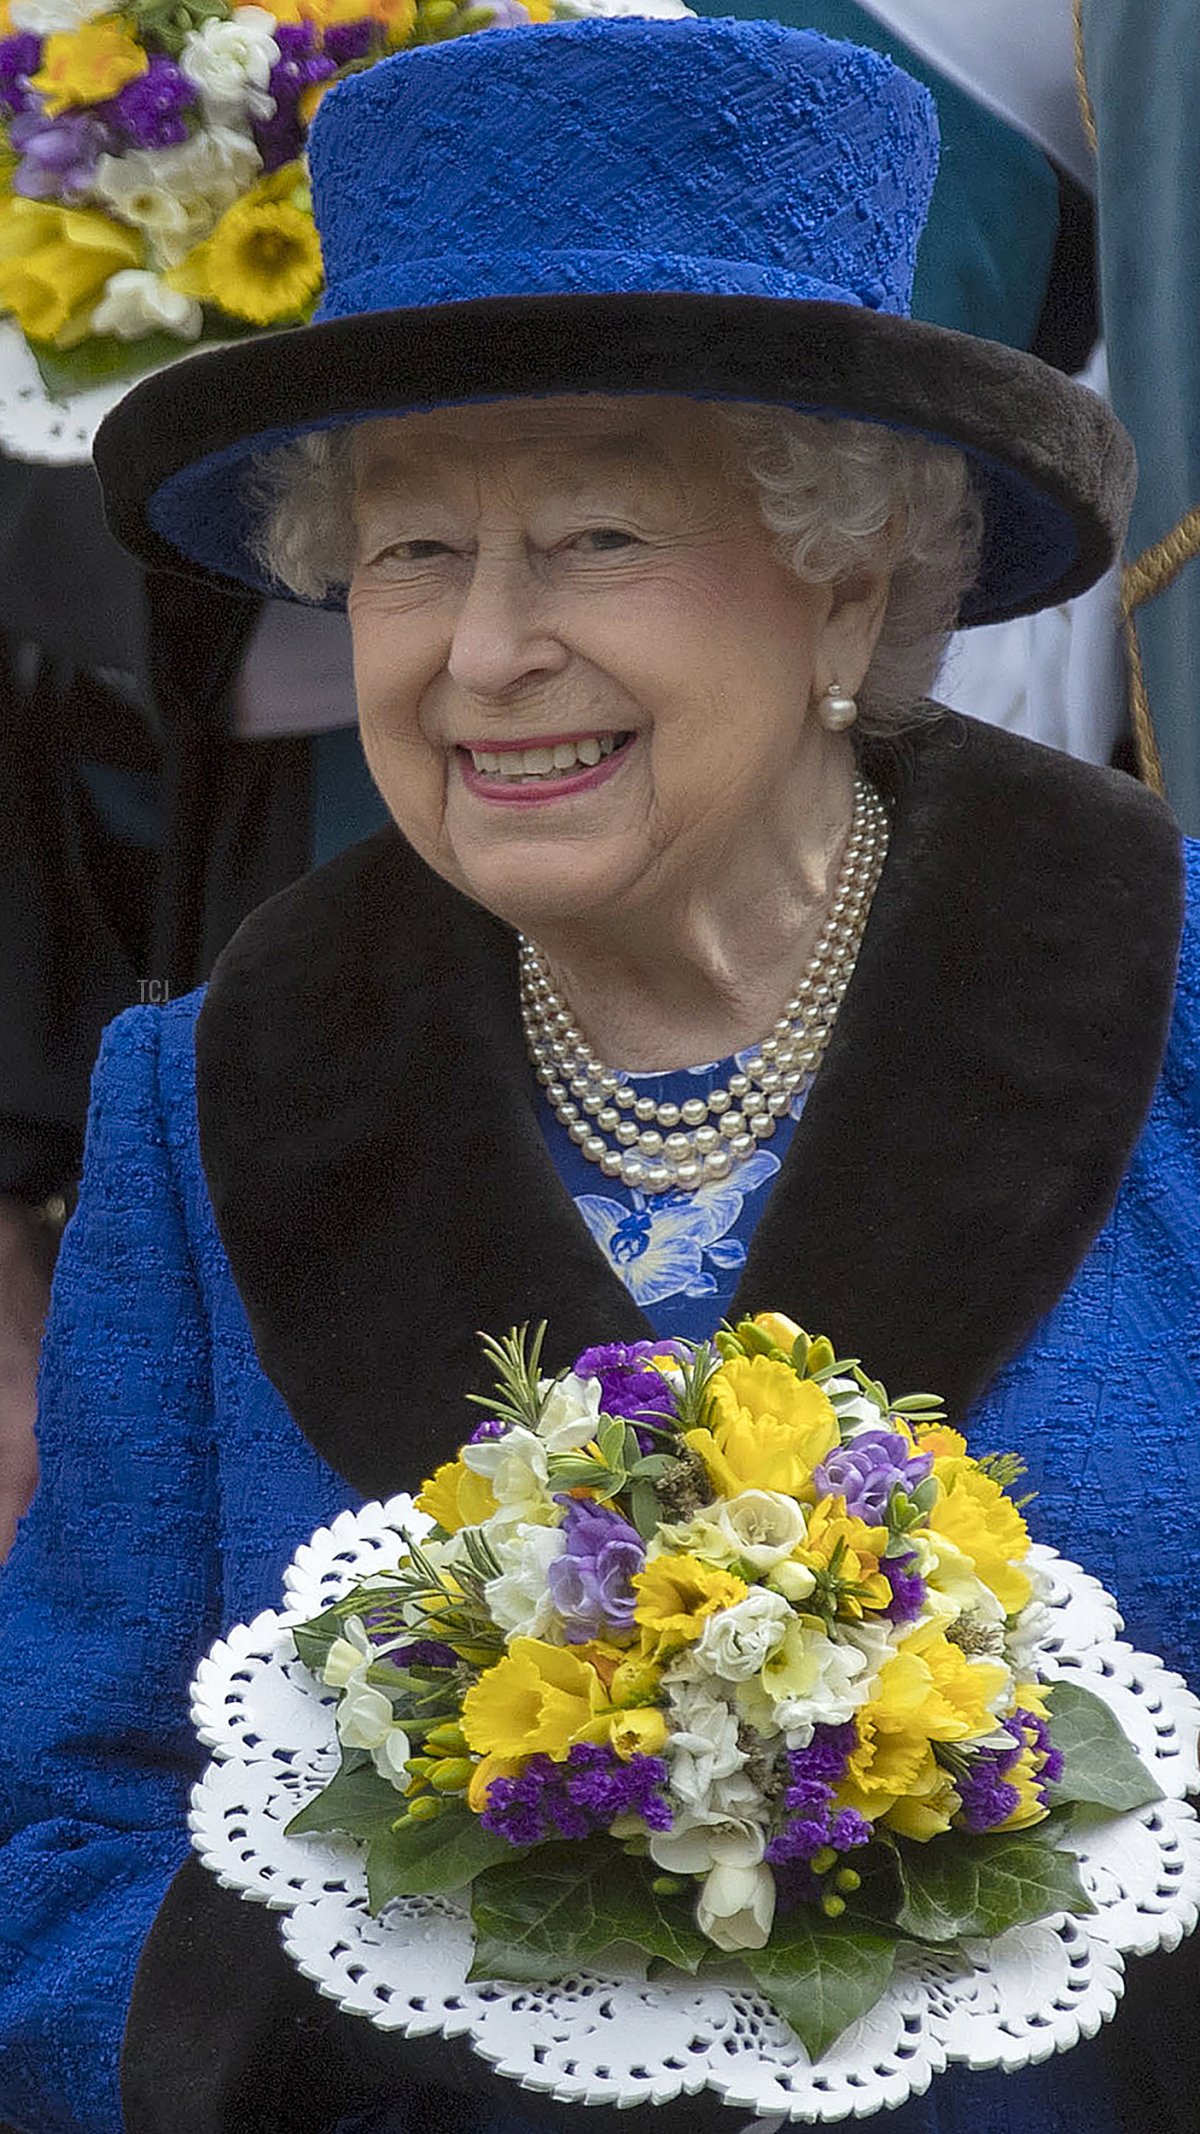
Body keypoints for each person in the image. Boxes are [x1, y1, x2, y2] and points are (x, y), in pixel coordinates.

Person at [0, 16, 1196, 2134]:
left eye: (596, 539)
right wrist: (376, 2052)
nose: (478, 653)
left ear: (842, 570)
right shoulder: (210, 1099)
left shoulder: (1169, 1012)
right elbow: (64, 1835)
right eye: (411, 550)